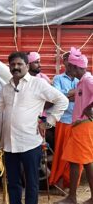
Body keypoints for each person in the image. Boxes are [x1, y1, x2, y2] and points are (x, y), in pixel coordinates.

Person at [0, 52, 68, 204]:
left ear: (27, 66)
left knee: (31, 184)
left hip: (31, 143)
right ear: (9, 67)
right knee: (13, 184)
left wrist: (49, 122)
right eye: (13, 64)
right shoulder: (6, 88)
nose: (16, 67)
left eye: (20, 64)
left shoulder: (38, 84)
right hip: (10, 146)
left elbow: (62, 100)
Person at [55, 50, 93, 204]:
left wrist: (89, 107)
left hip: (83, 125)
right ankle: (73, 197)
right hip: (79, 125)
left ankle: (73, 198)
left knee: (86, 162)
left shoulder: (88, 80)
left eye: (69, 67)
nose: (67, 70)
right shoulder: (82, 81)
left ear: (75, 68)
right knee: (76, 161)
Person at [49, 47, 82, 192]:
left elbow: (83, 96)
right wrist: (74, 94)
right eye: (68, 60)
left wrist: (68, 95)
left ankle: (72, 184)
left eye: (73, 61)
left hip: (79, 121)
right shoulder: (58, 78)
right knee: (62, 153)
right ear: (64, 62)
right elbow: (57, 97)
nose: (70, 64)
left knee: (77, 154)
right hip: (63, 120)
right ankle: (60, 182)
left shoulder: (82, 78)